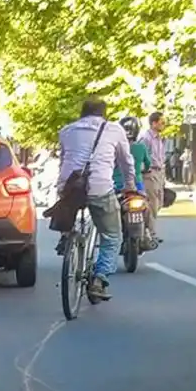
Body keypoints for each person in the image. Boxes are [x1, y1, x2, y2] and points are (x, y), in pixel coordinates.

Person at [56, 96, 136, 300]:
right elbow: (126, 162)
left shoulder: (66, 131)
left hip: (71, 187)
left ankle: (66, 236)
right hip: (100, 188)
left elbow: (65, 159)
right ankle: (99, 280)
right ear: (103, 113)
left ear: (82, 113)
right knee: (112, 236)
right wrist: (130, 185)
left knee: (68, 209)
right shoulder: (114, 130)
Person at [139, 111, 166, 243]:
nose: (163, 125)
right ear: (154, 123)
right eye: (162, 122)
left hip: (159, 172)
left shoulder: (159, 138)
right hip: (150, 173)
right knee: (152, 203)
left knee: (159, 201)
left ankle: (148, 228)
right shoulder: (146, 138)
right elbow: (142, 155)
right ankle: (150, 232)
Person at [113, 116, 151, 193]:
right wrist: (145, 170)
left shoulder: (115, 147)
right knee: (144, 202)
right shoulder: (141, 147)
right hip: (136, 182)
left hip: (117, 183)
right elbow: (148, 163)